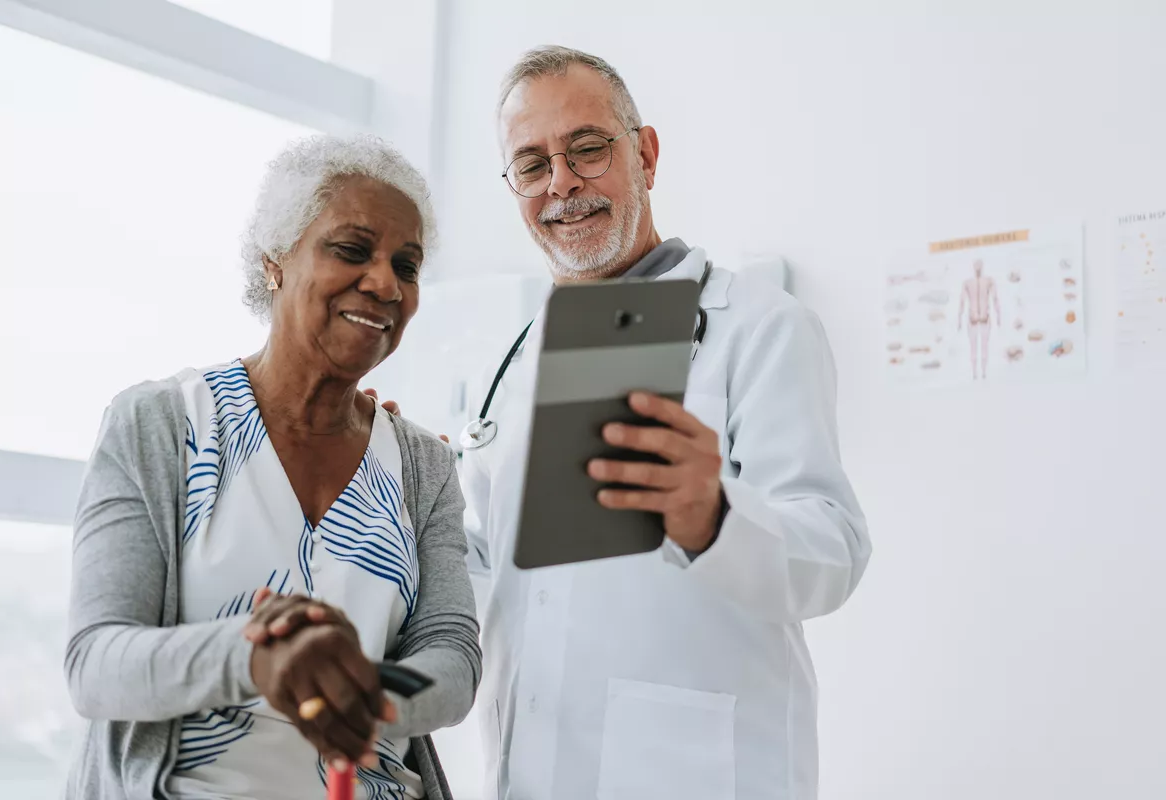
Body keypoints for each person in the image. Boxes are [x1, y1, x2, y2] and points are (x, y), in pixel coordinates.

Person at [459, 46, 872, 800]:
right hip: (531, 768)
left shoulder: (760, 326)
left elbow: (834, 551)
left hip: (694, 771)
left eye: (587, 149)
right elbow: (489, 570)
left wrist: (711, 515)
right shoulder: (515, 360)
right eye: (531, 164)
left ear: (645, 155)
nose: (562, 184)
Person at [63, 134, 480, 800]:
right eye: (351, 250)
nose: (384, 283)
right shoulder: (161, 424)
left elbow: (452, 656)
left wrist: (359, 693)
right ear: (274, 263)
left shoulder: (422, 464)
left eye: (407, 265)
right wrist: (259, 658)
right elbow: (96, 664)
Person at [958, 258, 1001, 379]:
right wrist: (959, 318)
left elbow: (995, 298)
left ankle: (983, 372)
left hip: (984, 319)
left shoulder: (989, 281)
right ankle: (975, 372)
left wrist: (998, 316)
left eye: (979, 266)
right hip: (973, 320)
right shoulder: (967, 282)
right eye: (976, 266)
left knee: (983, 346)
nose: (978, 269)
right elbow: (962, 301)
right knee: (974, 347)